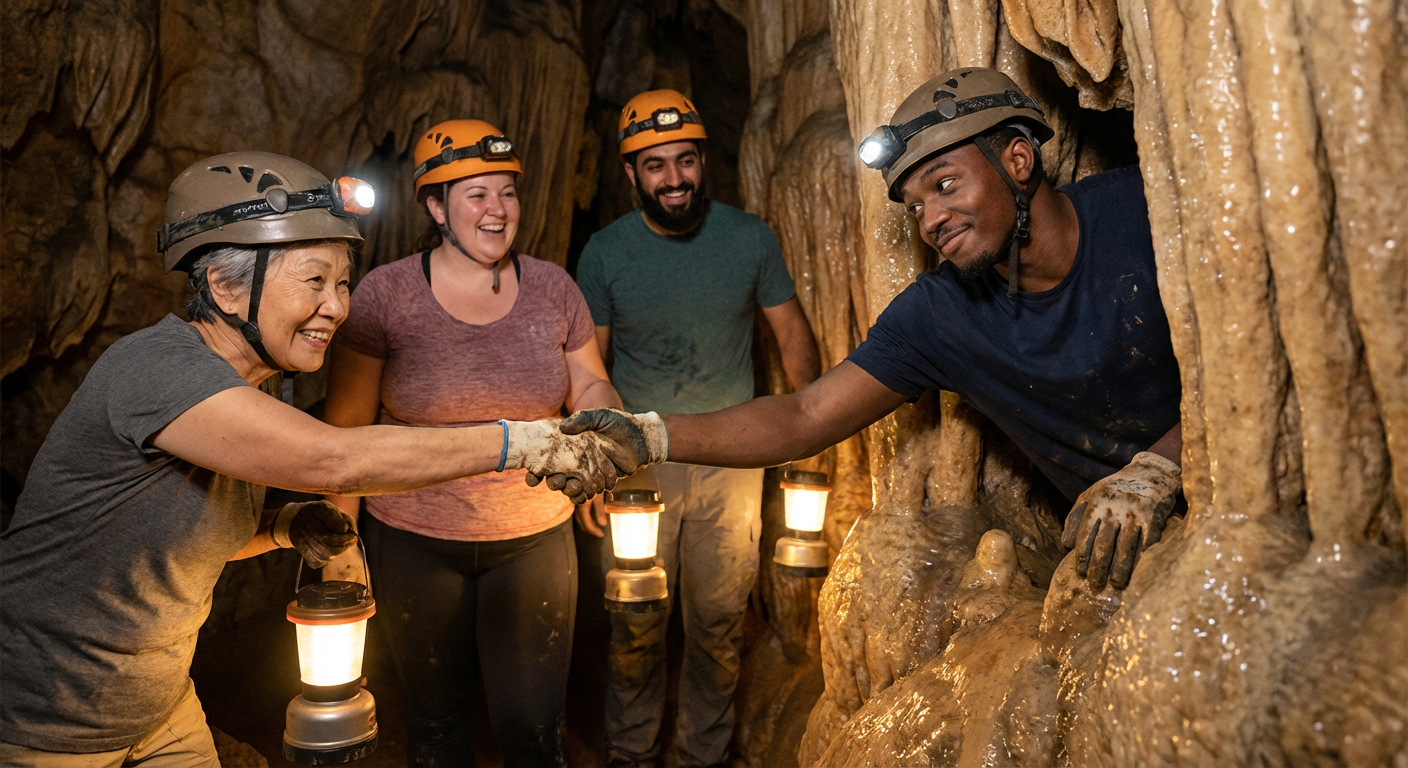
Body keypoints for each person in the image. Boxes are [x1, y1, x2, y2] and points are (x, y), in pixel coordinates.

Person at [0, 151, 616, 767]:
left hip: (159, 708)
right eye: (314, 281)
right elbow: (336, 459)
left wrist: (281, 528)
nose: (339, 306)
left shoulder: (252, 384)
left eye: (343, 282)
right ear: (225, 286)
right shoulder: (158, 368)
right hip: (46, 720)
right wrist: (529, 441)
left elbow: (171, 537)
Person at [562, 68, 1185, 596]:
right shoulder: (941, 314)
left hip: (1239, 492)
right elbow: (805, 415)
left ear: (1018, 160)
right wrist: (646, 437)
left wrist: (1158, 467)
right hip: (1128, 561)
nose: (931, 220)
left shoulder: (1148, 212)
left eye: (944, 184)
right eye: (914, 206)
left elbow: (1257, 354)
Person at [320, 119, 620, 767]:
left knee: (534, 728)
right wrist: (339, 547)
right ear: (436, 207)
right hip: (412, 538)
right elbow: (345, 432)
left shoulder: (552, 289)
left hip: (534, 533)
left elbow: (591, 381)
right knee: (437, 723)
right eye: (476, 194)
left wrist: (602, 426)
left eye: (507, 193)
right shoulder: (386, 296)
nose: (497, 210)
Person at [574, 89, 822, 767]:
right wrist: (593, 464)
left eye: (685, 161)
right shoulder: (604, 254)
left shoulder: (749, 239)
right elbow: (584, 366)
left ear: (703, 160)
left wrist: (817, 437)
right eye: (655, 166)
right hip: (638, 465)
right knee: (634, 621)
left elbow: (793, 340)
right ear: (630, 174)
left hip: (734, 460)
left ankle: (703, 757)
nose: (674, 179)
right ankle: (632, 755)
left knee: (718, 622)